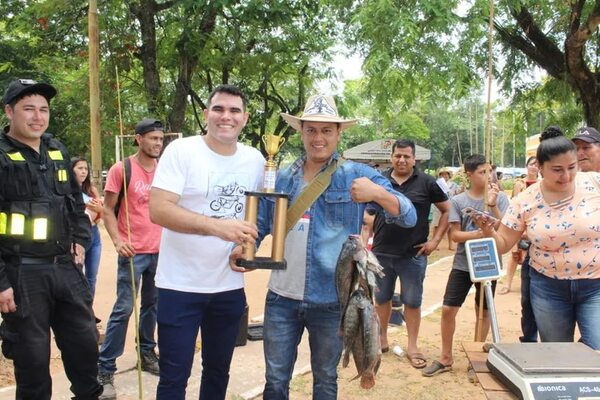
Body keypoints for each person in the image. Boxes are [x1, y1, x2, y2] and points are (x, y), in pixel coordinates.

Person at [232, 94, 417, 399]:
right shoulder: (282, 176)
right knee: (275, 381)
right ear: (301, 132)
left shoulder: (356, 175)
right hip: (281, 297)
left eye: (327, 130)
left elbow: (408, 216)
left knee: (325, 380)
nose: (318, 138)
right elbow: (263, 222)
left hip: (332, 301)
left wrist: (378, 193)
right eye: (311, 130)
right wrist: (244, 247)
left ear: (338, 133)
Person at [149, 85, 265, 400]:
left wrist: (247, 248)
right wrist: (217, 228)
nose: (225, 116)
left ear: (245, 118)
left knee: (218, 371)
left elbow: (256, 216)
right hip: (180, 286)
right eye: (218, 109)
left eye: (234, 111)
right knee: (174, 376)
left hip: (228, 287)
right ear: (206, 114)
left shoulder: (255, 160)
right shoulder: (181, 151)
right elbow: (158, 210)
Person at [0, 79, 102, 399]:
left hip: (65, 268)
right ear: (9, 112)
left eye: (43, 109)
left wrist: (80, 241)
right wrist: (1, 280)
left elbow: (75, 203)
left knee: (85, 348)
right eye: (28, 108)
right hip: (22, 273)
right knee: (32, 363)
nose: (37, 117)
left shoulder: (57, 151)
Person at [471, 126, 600, 350]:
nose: (566, 176)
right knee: (557, 352)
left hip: (595, 285)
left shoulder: (594, 183)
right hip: (549, 288)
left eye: (572, 167)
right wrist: (489, 231)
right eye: (557, 170)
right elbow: (502, 245)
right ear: (540, 167)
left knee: (596, 348)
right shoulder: (524, 201)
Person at [422, 154, 509, 377]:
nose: (488, 176)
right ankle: (445, 357)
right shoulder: (459, 201)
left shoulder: (499, 199)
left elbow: (505, 231)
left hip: (489, 262)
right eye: (482, 172)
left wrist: (493, 210)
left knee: (484, 310)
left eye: (490, 171)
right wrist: (479, 232)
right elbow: (456, 235)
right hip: (463, 263)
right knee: (449, 309)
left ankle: (476, 357)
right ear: (469, 175)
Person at [97, 118, 164, 399]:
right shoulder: (121, 169)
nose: (157, 144)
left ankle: (146, 352)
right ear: (138, 139)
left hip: (161, 252)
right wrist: (117, 240)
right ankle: (105, 367)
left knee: (153, 306)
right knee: (124, 308)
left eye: (160, 139)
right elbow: (108, 209)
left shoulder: (165, 170)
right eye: (152, 139)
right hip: (132, 252)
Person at [369, 139, 449, 369]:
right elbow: (368, 215)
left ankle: (412, 346)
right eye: (398, 156)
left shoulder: (427, 182)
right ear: (391, 157)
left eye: (406, 156)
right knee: (381, 299)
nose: (402, 160)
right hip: (382, 252)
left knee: (412, 302)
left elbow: (446, 210)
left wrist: (435, 240)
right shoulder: (379, 181)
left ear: (414, 159)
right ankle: (381, 339)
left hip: (413, 255)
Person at [498, 156, 539, 295]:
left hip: (536, 222)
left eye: (536, 164)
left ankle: (528, 286)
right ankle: (507, 283)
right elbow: (515, 203)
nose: (534, 167)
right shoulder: (519, 183)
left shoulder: (542, 183)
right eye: (531, 164)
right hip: (521, 221)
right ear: (527, 166)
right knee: (515, 254)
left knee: (531, 254)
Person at [71, 156, 104, 299]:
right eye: (80, 168)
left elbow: (103, 212)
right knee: (78, 275)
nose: (84, 172)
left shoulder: (91, 190)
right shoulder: (67, 191)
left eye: (86, 169)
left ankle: (89, 311)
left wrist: (99, 208)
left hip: (94, 233)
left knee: (92, 276)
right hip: (77, 235)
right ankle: (79, 311)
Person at [432, 167, 460, 250]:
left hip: (450, 207)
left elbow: (458, 192)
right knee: (437, 225)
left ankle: (451, 245)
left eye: (446, 174)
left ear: (449, 175)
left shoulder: (454, 185)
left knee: (450, 227)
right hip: (438, 207)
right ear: (440, 175)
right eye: (442, 174)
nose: (444, 176)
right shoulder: (436, 184)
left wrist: (464, 186)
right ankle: (435, 244)